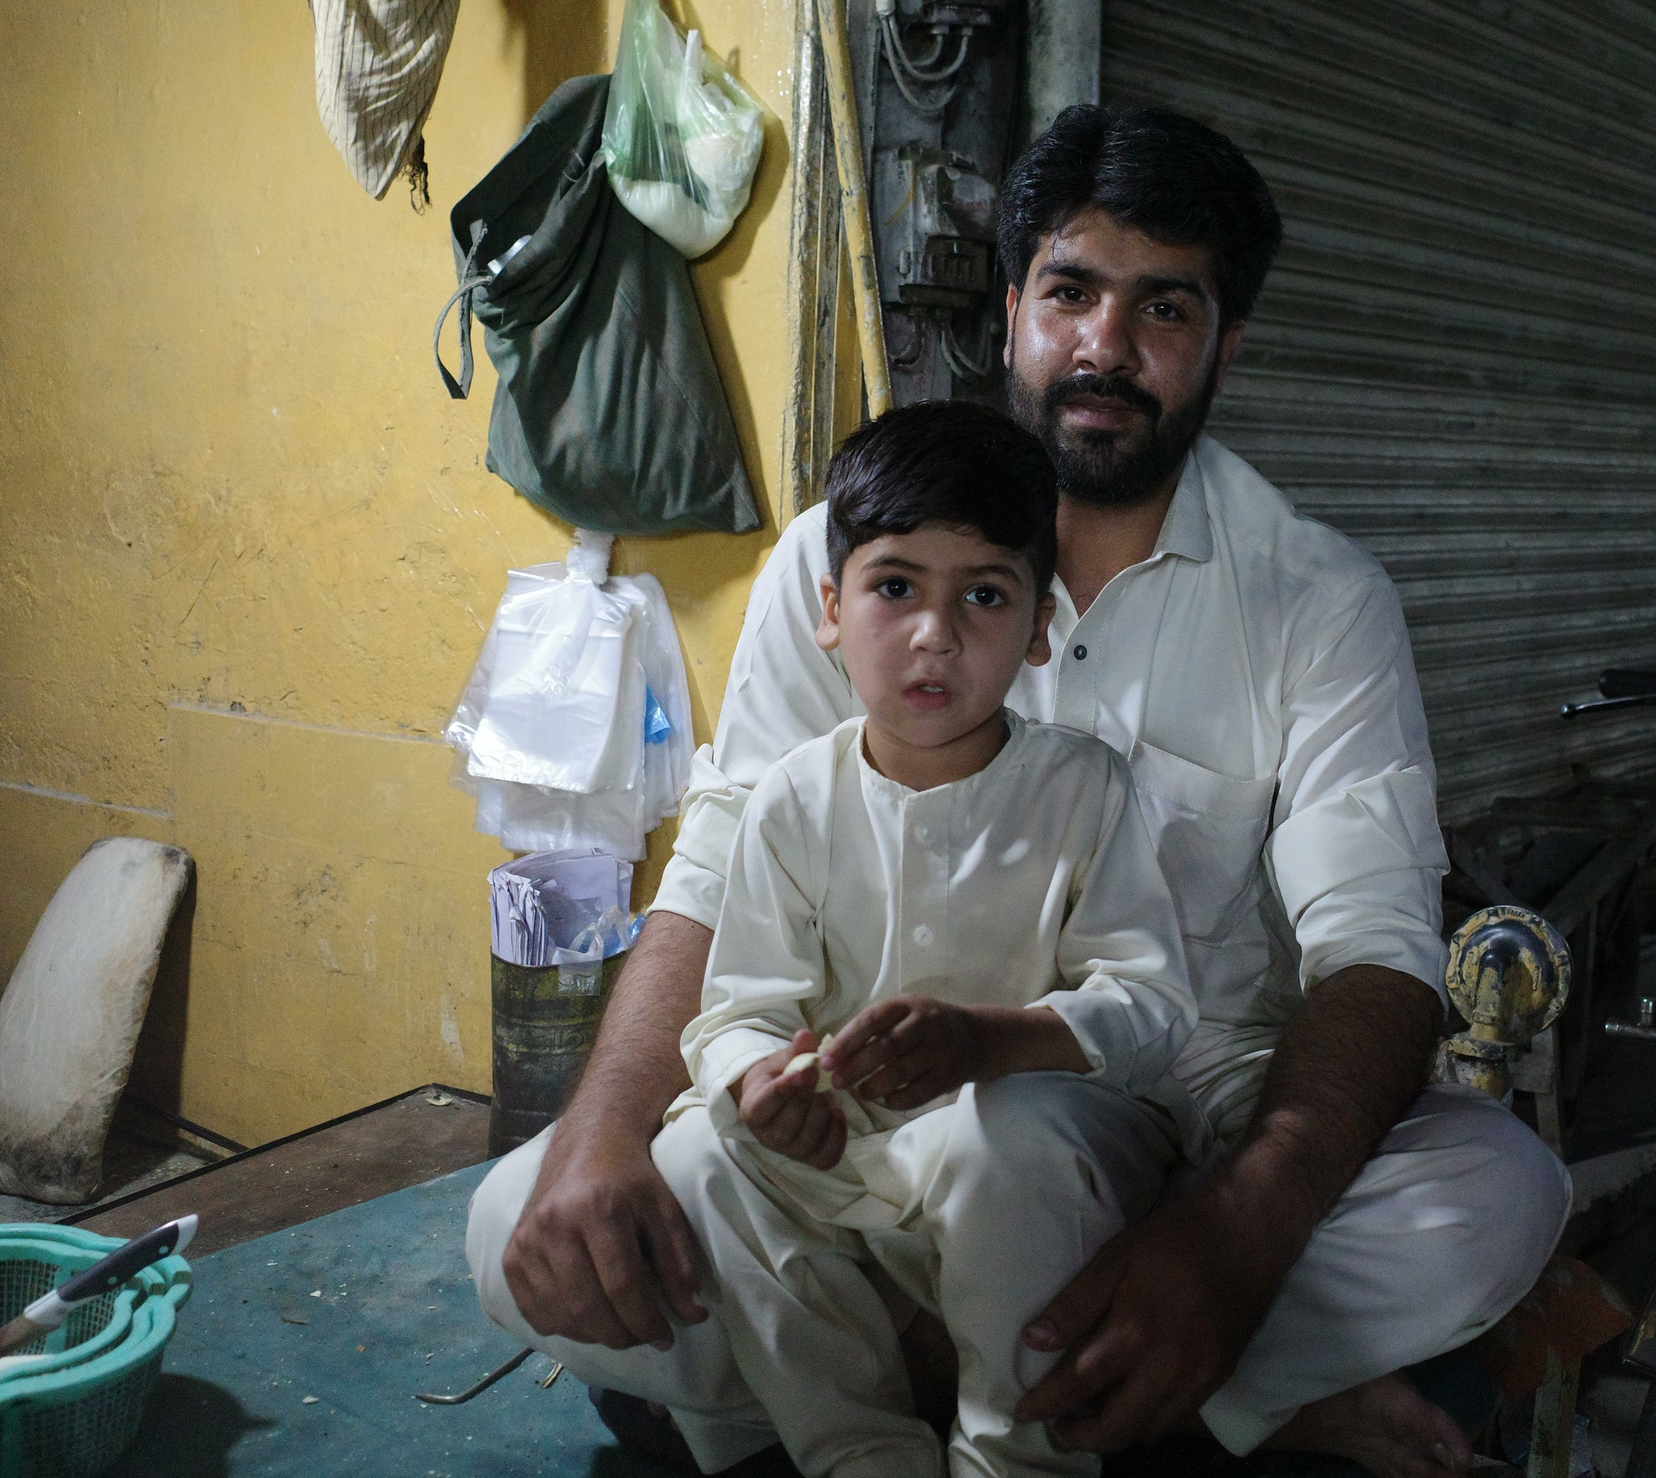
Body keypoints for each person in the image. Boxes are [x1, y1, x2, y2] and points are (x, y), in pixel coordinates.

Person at [468, 105, 1570, 1478]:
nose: (1106, 345)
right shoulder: (841, 551)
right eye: (1070, 291)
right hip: (843, 1152)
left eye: (1164, 306)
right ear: (1011, 313)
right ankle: (1203, 1388)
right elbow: (714, 870)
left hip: (1157, 1157)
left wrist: (1231, 1239)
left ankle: (894, 1361)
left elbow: (1377, 954)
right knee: (525, 1217)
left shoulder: (1315, 599)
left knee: (1496, 1192)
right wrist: (597, 1130)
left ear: (1229, 344)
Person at [660, 399, 1196, 1478]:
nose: (933, 636)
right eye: (894, 587)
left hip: (1041, 1164)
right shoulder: (790, 801)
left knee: (1004, 1140)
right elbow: (739, 1008)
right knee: (694, 1153)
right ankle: (857, 1452)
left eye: (984, 596)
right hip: (854, 1157)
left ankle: (1016, 1457)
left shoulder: (1083, 789)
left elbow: (1153, 1008)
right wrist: (762, 1081)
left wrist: (996, 1044)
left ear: (1039, 628)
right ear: (830, 608)